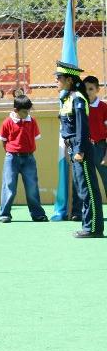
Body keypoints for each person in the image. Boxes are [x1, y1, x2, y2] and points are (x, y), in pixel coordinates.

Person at [56, 61, 104, 238]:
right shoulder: (69, 97)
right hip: (74, 147)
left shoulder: (77, 98)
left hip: (79, 148)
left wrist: (80, 150)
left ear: (69, 79)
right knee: (82, 188)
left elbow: (82, 127)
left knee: (88, 189)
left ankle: (93, 228)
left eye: (59, 78)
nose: (56, 81)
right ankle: (88, 225)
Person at [0, 96, 48, 223]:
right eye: (24, 111)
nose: (27, 114)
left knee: (32, 187)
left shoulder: (32, 121)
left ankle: (37, 214)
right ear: (16, 110)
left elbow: (35, 138)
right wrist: (11, 152)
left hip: (29, 158)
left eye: (28, 111)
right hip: (12, 159)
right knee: (9, 187)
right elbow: (3, 141)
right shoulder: (7, 122)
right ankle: (4, 214)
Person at [83, 75, 107, 194]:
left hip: (100, 149)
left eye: (91, 89)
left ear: (97, 89)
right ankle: (93, 212)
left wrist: (106, 155)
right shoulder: (80, 107)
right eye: (85, 89)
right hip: (85, 149)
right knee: (88, 183)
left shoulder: (103, 107)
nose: (87, 92)